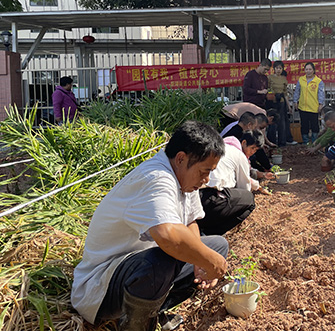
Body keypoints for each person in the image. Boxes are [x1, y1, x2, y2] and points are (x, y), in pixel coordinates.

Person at [71, 121, 229, 331]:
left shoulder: (183, 179)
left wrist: (202, 260)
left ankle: (152, 312)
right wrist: (210, 261)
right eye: (204, 171)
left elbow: (190, 221)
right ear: (181, 158)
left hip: (136, 268)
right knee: (160, 263)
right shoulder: (157, 179)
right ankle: (134, 325)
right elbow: (168, 236)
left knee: (217, 245)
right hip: (101, 287)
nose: (207, 179)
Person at [196, 132, 273, 236]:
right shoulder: (238, 155)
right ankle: (212, 233)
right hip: (211, 202)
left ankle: (201, 229)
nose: (253, 152)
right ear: (244, 143)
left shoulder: (217, 148)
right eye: (252, 148)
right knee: (249, 200)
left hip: (193, 197)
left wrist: (258, 186)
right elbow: (244, 187)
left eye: (255, 150)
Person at [293, 62, 325, 144]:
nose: (308, 71)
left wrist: (320, 104)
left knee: (314, 125)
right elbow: (297, 91)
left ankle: (314, 142)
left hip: (314, 107)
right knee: (304, 125)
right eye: (306, 69)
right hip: (302, 107)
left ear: (314, 70)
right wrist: (295, 101)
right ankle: (305, 142)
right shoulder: (301, 79)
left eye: (310, 69)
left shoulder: (318, 81)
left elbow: (321, 93)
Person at [267, 61, 296, 146]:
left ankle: (282, 142)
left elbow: (285, 93)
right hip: (272, 102)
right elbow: (267, 89)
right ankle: (271, 142)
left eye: (280, 68)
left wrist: (289, 106)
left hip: (282, 103)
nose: (278, 70)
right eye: (277, 68)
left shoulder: (284, 79)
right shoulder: (270, 78)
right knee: (272, 122)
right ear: (274, 69)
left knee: (282, 123)